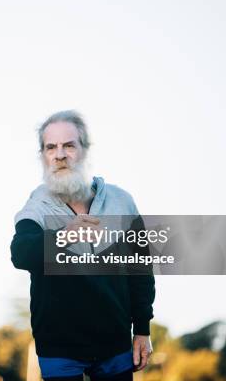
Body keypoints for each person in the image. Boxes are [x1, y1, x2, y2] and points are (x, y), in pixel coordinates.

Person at [10, 110, 155, 381]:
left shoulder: (121, 201)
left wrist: (142, 330)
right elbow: (20, 254)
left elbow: (141, 269)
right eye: (50, 147)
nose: (59, 154)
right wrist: (65, 235)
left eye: (69, 145)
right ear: (42, 155)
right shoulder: (37, 205)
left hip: (115, 345)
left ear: (85, 150)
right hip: (59, 349)